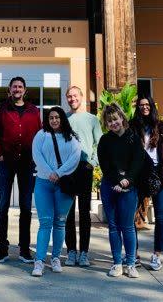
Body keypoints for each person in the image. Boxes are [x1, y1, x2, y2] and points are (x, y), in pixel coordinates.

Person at [0, 76, 42, 263]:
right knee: (2, 205)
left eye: (20, 87)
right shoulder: (0, 110)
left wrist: (37, 158)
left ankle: (24, 249)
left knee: (26, 207)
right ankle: (2, 248)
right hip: (6, 162)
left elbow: (39, 136)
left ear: (25, 90)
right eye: (14, 87)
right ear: (9, 90)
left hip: (27, 163)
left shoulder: (33, 111)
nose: (17, 89)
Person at [30, 106, 82, 277]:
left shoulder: (72, 138)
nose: (54, 120)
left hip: (64, 185)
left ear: (62, 119)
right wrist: (50, 173)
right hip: (44, 183)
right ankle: (39, 261)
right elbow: (37, 155)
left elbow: (75, 157)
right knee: (45, 223)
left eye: (57, 117)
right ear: (47, 119)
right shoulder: (41, 135)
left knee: (60, 223)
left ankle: (56, 258)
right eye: (51, 117)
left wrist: (58, 173)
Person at [130, 94, 163, 272]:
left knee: (160, 217)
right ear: (138, 108)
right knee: (130, 216)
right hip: (139, 176)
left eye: (147, 105)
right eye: (141, 105)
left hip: (160, 177)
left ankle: (157, 255)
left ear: (151, 107)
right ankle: (133, 254)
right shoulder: (133, 127)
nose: (144, 108)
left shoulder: (162, 127)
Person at [97, 103, 145, 279]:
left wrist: (127, 181)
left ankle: (131, 263)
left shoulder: (133, 138)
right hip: (110, 186)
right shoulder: (105, 140)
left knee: (127, 227)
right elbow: (105, 165)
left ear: (122, 118)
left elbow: (138, 161)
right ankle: (117, 263)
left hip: (129, 187)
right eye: (109, 121)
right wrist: (118, 180)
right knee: (113, 227)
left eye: (115, 119)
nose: (113, 123)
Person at [63, 86, 102, 267]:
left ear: (81, 97)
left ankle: (84, 253)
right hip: (67, 171)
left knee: (84, 213)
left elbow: (99, 144)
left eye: (75, 96)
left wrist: (92, 163)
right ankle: (71, 251)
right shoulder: (64, 119)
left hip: (85, 170)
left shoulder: (92, 119)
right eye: (69, 97)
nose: (72, 99)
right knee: (68, 214)